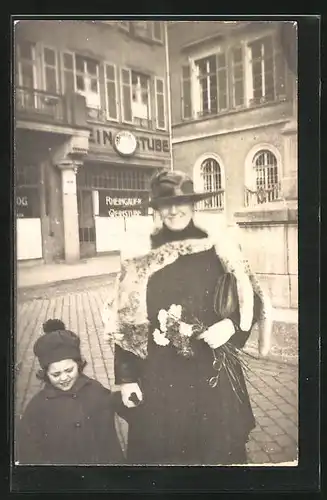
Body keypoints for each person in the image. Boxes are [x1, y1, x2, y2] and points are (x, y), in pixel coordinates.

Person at [103, 170, 272, 466]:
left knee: (218, 457)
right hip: (159, 375)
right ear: (155, 209)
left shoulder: (219, 246)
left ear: (194, 205)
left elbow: (252, 299)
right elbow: (126, 320)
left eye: (181, 202)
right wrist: (127, 378)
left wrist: (231, 325)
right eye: (165, 204)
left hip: (212, 372)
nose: (173, 210)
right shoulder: (140, 255)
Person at [16, 319, 124, 465]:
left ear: (78, 365)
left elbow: (117, 406)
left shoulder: (96, 390)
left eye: (69, 370)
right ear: (45, 374)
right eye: (56, 374)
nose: (64, 378)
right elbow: (29, 452)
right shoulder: (37, 407)